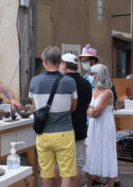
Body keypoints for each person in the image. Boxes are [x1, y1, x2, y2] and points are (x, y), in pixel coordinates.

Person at [29, 46, 77, 187]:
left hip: (43, 134)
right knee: (66, 174)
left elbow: (35, 107)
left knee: (46, 174)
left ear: (44, 62)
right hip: (64, 133)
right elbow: (73, 107)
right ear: (60, 62)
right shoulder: (69, 82)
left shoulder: (34, 81)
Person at [54, 53, 92, 187]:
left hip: (61, 127)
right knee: (78, 162)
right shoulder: (86, 83)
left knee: (60, 162)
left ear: (64, 65)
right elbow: (88, 106)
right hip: (80, 127)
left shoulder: (59, 81)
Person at [83, 64, 118, 187]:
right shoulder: (94, 90)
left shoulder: (108, 92)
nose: (91, 76)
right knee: (90, 149)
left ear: (99, 75)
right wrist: (91, 111)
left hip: (105, 125)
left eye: (93, 74)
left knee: (106, 150)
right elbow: (89, 108)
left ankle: (110, 183)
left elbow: (96, 111)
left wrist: (91, 111)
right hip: (94, 125)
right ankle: (89, 181)